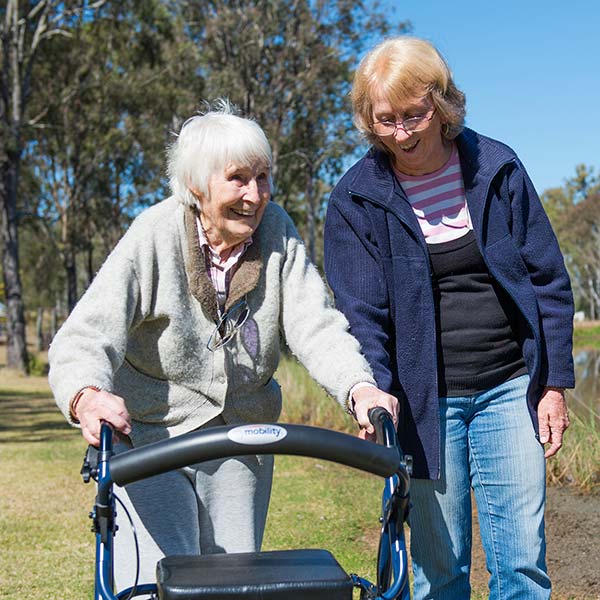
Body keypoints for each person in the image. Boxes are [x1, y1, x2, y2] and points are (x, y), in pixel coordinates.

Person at [48, 101, 398, 591]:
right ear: (196, 184)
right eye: (237, 179)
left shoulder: (276, 231)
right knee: (153, 579)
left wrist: (359, 389)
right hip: (151, 435)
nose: (254, 196)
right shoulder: (155, 233)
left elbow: (315, 324)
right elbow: (88, 332)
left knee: (232, 585)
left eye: (262, 177)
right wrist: (86, 393)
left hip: (241, 433)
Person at [324, 37, 574, 600]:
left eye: (414, 115)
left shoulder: (497, 167)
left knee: (522, 568)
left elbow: (549, 282)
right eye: (384, 120)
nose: (402, 132)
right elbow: (363, 315)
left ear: (441, 105)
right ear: (369, 119)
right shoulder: (355, 200)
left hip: (509, 387)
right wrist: (374, 397)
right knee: (440, 571)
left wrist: (554, 383)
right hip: (421, 405)